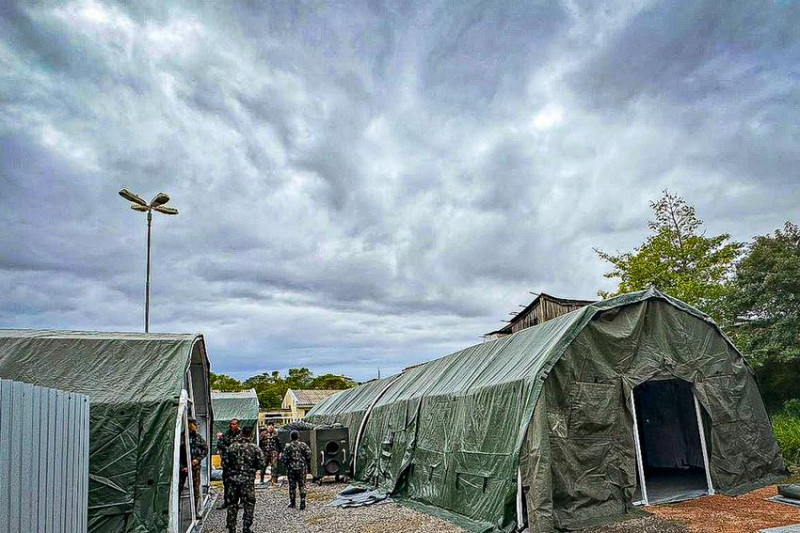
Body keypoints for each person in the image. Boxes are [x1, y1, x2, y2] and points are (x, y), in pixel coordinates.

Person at [225, 426, 264, 533]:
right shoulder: (254, 448)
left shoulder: (232, 447)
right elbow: (261, 464)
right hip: (247, 481)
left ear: (241, 433)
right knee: (249, 503)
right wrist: (252, 469)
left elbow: (225, 463)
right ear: (251, 434)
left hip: (233, 481)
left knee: (232, 504)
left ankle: (231, 528)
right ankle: (246, 527)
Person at [179, 417, 208, 518]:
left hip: (194, 467)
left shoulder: (198, 437)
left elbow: (205, 449)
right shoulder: (181, 437)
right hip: (182, 467)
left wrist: (198, 459)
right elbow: (176, 454)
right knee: (179, 488)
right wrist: (182, 467)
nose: (195, 427)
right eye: (194, 425)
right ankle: (176, 508)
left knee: (195, 489)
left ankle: (194, 511)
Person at [282, 430, 312, 510]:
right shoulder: (303, 445)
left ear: (291, 437)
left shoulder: (288, 446)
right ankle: (302, 501)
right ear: (298, 436)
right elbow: (309, 454)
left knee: (292, 486)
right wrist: (306, 462)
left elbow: (284, 458)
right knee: (302, 485)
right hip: (301, 468)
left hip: (291, 469)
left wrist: (286, 464)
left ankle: (292, 502)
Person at [216, 418, 241, 509]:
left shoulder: (241, 434)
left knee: (239, 482)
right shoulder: (227, 434)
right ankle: (227, 501)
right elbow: (219, 444)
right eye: (231, 424)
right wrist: (227, 448)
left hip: (238, 463)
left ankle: (240, 501)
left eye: (234, 424)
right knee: (226, 483)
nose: (232, 426)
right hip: (227, 463)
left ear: (237, 424)